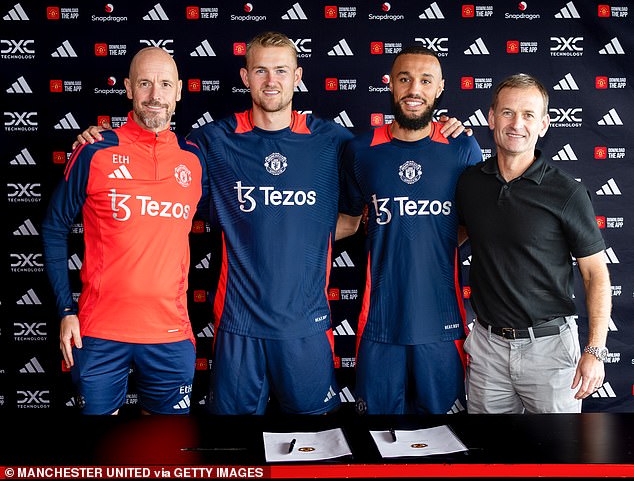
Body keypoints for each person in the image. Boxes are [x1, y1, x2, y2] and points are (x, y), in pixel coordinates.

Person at [74, 32, 467, 415]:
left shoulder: (335, 141)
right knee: (232, 448)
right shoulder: (211, 141)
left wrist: (444, 129)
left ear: (297, 77)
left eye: (281, 70)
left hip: (306, 326)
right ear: (246, 78)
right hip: (238, 326)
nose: (271, 80)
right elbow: (153, 161)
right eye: (260, 71)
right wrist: (99, 140)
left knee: (318, 445)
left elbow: (375, 189)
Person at [41, 47, 208, 415]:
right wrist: (65, 310)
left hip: (171, 333)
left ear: (179, 91)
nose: (155, 95)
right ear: (129, 88)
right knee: (103, 459)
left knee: (165, 453)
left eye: (165, 84)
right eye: (145, 83)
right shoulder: (94, 150)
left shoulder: (194, 159)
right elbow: (54, 228)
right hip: (99, 331)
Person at [456, 73, 612, 414]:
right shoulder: (470, 183)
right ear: (491, 118)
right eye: (508, 112)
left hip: (551, 351)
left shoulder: (567, 192)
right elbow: (453, 235)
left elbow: (595, 275)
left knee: (559, 459)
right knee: (489, 460)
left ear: (543, 124)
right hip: (487, 348)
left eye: (528, 115)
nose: (517, 124)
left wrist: (595, 351)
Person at [339, 45, 482, 415]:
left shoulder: (462, 148)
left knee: (447, 440)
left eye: (424, 80)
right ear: (391, 85)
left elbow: (472, 223)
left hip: (441, 320)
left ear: (439, 89)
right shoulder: (360, 150)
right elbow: (351, 221)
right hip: (380, 321)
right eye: (404, 79)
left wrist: (431, 237)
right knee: (377, 440)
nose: (413, 88)